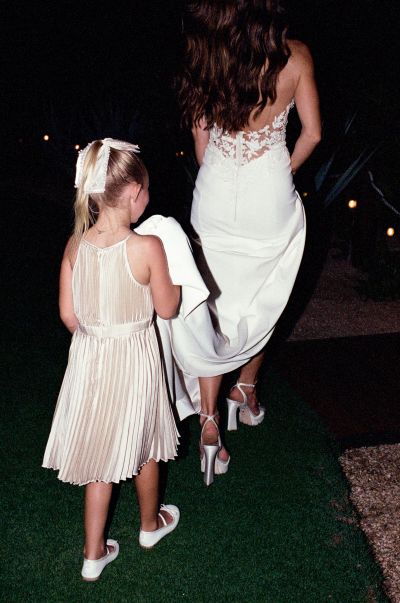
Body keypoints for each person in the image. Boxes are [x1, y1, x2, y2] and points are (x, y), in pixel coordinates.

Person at [177, 0, 321, 483]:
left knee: (211, 304)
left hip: (216, 190)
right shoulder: (295, 55)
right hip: (268, 196)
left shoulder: (209, 55)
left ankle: (212, 421)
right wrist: (283, 170)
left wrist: (220, 172)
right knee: (264, 296)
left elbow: (201, 145)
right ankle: (246, 386)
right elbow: (313, 135)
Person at [42, 139, 181, 581]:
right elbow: (168, 308)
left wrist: (95, 339)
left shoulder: (75, 244)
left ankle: (93, 552)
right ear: (135, 191)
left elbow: (68, 314)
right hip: (135, 357)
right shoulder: (148, 246)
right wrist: (174, 279)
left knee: (100, 455)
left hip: (89, 359)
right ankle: (148, 525)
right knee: (144, 442)